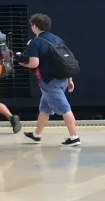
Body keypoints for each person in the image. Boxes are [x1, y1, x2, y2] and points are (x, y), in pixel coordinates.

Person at [19, 13, 80, 146]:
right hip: (62, 79)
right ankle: (36, 135)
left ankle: (74, 137)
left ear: (35, 26)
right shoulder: (58, 39)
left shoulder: (35, 42)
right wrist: (69, 80)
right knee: (45, 108)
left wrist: (22, 63)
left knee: (65, 109)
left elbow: (34, 63)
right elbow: (65, 60)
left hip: (49, 82)